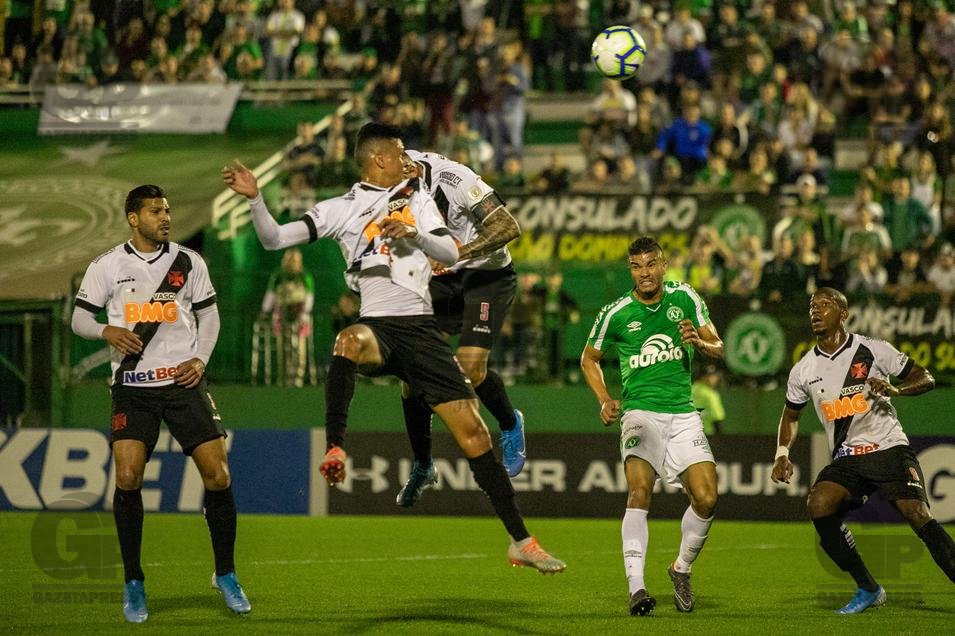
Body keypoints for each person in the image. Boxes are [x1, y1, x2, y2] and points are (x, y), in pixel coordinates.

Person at [221, 122, 565, 573]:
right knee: (347, 340)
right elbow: (273, 239)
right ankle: (338, 448)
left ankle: (522, 540)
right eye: (401, 153)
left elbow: (448, 251)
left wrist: (413, 235)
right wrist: (255, 199)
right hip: (379, 328)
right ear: (381, 159)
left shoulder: (420, 198)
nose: (409, 160)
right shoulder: (341, 207)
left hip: (429, 322)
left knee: (474, 431)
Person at [70, 185, 250, 623]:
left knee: (219, 475)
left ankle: (225, 573)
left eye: (167, 210)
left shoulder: (189, 262)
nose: (165, 217)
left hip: (183, 382)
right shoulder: (107, 265)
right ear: (134, 218)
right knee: (127, 476)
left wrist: (200, 359)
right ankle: (134, 581)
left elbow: (209, 315)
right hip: (132, 386)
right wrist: (106, 331)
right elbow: (79, 318)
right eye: (155, 211)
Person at [771, 287, 955, 614]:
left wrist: (897, 389)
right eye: (812, 306)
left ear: (843, 314)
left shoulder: (873, 349)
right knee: (819, 504)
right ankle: (868, 588)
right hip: (847, 457)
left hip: (888, 447)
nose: (816, 311)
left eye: (825, 305)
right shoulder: (803, 369)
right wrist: (782, 453)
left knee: (917, 513)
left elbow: (924, 377)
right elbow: (791, 415)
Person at [580, 236, 723, 616]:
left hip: (683, 415)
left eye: (650, 264)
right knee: (639, 490)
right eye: (636, 266)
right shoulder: (616, 313)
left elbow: (719, 346)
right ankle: (637, 589)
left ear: (663, 265)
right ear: (631, 270)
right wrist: (604, 399)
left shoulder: (685, 297)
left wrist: (699, 342)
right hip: (639, 413)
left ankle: (681, 569)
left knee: (707, 498)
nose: (644, 272)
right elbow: (589, 358)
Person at [396, 146, 526, 510]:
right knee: (410, 374)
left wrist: (459, 253)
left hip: (485, 275)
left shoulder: (456, 179)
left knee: (471, 369)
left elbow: (508, 227)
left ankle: (509, 422)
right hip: (442, 279)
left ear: (410, 167)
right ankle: (423, 465)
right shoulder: (389, 189)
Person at [259, 247, 316, 387]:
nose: (293, 262)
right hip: (282, 313)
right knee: (282, 346)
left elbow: (309, 296)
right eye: (290, 259)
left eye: (295, 260)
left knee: (300, 346)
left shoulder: (305, 275)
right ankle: (283, 377)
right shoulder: (278, 275)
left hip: (300, 313)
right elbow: (271, 295)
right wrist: (265, 311)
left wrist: (305, 312)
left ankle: (298, 378)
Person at [691, 364, 725, 435]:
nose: (714, 379)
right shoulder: (710, 394)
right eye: (711, 376)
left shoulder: (689, 390)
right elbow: (717, 418)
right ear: (703, 377)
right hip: (708, 435)